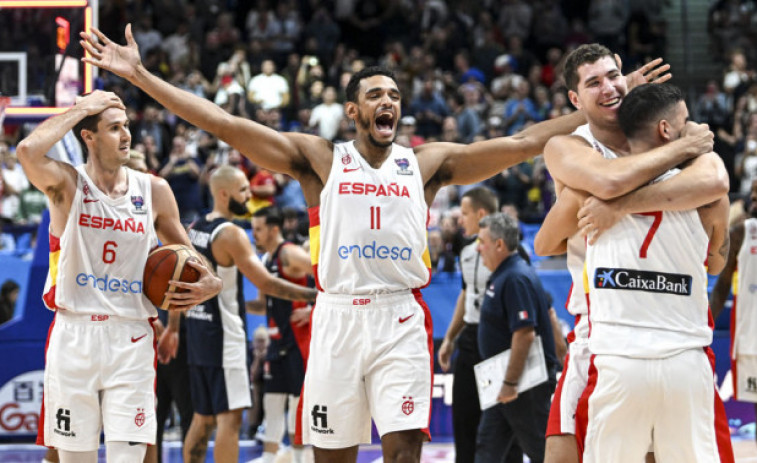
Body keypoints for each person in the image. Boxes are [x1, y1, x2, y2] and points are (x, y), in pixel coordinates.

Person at [80, 26, 661, 462]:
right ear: (353, 110)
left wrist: (607, 98)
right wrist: (140, 77)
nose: (389, 102)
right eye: (376, 95)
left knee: (404, 449)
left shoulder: (426, 163)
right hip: (337, 319)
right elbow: (223, 123)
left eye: (396, 95)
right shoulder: (320, 159)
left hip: (400, 319)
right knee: (333, 453)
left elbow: (525, 139)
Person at [534, 43, 728, 463]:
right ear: (575, 99)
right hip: (604, 332)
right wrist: (683, 146)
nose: (608, 88)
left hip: (679, 328)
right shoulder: (572, 148)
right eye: (594, 82)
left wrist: (619, 205)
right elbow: (549, 238)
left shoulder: (665, 130)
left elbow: (715, 178)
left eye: (613, 76)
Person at [17, 90, 222, 463]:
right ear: (89, 137)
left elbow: (188, 254)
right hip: (74, 333)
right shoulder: (67, 183)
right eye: (114, 128)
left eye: (126, 126)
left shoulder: (154, 190)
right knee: (71, 457)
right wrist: (82, 108)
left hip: (131, 336)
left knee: (129, 457)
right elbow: (28, 152)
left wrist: (213, 280)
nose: (126, 135)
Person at [182, 165, 318, 463]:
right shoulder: (230, 233)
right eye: (243, 189)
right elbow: (267, 283)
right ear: (223, 193)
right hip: (224, 338)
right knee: (229, 422)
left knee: (202, 419)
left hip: (197, 334)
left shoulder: (194, 228)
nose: (250, 194)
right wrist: (317, 296)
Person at [474, 212, 559, 463]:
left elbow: (524, 334)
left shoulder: (515, 277)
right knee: (487, 448)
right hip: (504, 381)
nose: (478, 249)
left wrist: (510, 383)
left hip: (523, 384)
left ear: (499, 244)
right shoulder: (506, 273)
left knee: (541, 451)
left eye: (482, 242)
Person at [249, 206, 314, 463]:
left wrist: (312, 308)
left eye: (258, 230)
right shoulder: (265, 260)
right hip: (277, 343)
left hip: (299, 343)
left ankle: (298, 460)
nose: (254, 235)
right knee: (272, 405)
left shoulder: (290, 254)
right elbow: (262, 304)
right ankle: (269, 458)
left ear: (274, 229)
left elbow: (327, 279)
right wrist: (232, 304)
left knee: (297, 408)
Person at [710, 178, 757, 444]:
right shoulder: (742, 232)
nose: (753, 201)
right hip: (752, 335)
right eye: (752, 194)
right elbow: (721, 288)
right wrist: (705, 326)